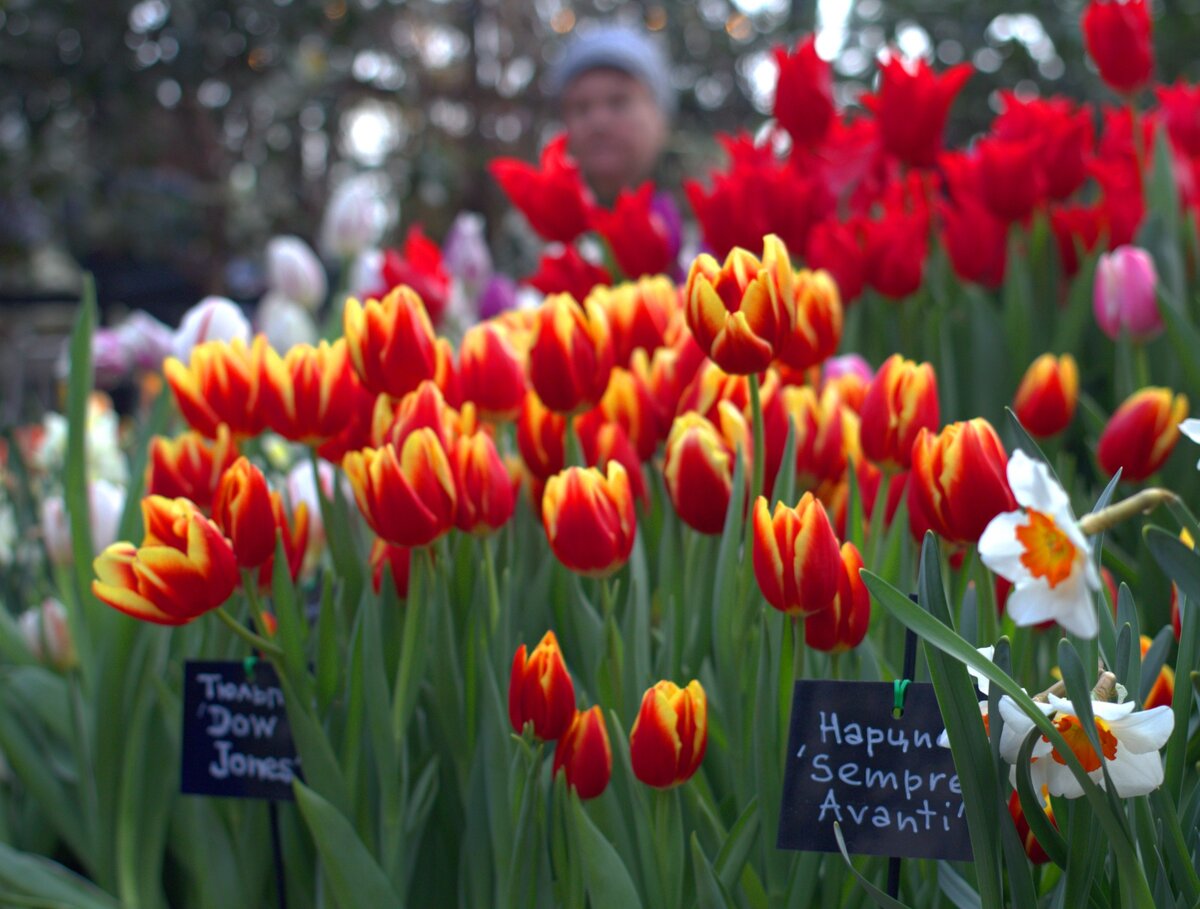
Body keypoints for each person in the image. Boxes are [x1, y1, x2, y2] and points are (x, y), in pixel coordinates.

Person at [547, 24, 675, 204]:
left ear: (660, 119)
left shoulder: (705, 223)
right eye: (581, 107)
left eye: (618, 102)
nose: (599, 122)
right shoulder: (530, 228)